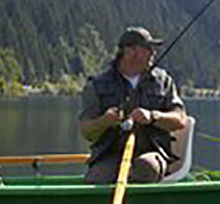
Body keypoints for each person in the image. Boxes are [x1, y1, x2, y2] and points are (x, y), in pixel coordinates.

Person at [78, 26, 188, 184]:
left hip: (152, 151)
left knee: (146, 167)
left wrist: (153, 117)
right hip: (110, 154)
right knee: (97, 178)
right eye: (148, 48)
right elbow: (86, 130)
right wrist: (104, 121)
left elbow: (180, 120)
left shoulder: (163, 81)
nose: (153, 53)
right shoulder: (97, 84)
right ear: (129, 51)